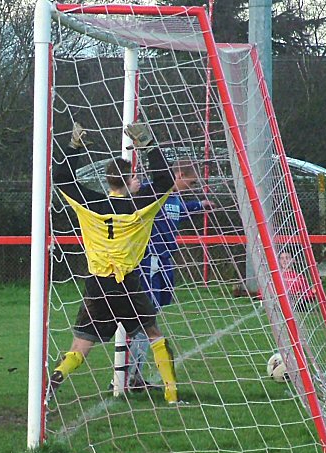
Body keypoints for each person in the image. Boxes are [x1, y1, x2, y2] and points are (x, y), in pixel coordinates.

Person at [49, 121, 180, 404]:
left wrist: (74, 147)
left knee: (81, 344)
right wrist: (148, 145)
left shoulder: (89, 203)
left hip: (97, 283)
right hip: (128, 282)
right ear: (130, 178)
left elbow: (61, 178)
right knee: (153, 334)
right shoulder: (139, 205)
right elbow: (166, 181)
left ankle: (55, 379)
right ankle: (171, 394)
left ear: (106, 180)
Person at [125, 161, 214, 391]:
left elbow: (180, 212)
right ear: (179, 174)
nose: (190, 187)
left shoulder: (174, 199)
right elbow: (133, 201)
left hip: (165, 261)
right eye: (191, 182)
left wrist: (199, 205)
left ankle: (135, 375)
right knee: (147, 318)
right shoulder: (156, 192)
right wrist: (130, 189)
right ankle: (130, 376)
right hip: (150, 260)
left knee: (155, 312)